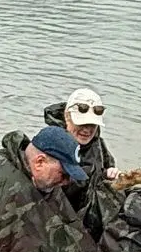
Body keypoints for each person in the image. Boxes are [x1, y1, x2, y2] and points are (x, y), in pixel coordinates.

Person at [43, 85, 115, 230]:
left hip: (88, 219)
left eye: (92, 124)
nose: (87, 129)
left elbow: (108, 165)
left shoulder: (98, 144)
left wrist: (109, 175)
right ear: (67, 116)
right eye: (81, 123)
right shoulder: (50, 143)